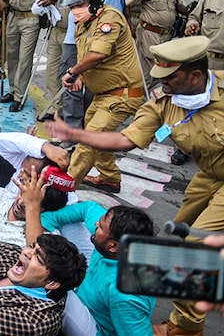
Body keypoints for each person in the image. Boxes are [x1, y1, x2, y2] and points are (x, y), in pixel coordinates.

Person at [45, 35, 224, 336]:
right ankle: (148, 293)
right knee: (175, 233)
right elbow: (124, 139)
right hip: (210, 174)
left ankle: (185, 326)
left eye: (170, 77)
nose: (162, 83)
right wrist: (77, 135)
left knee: (197, 247)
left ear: (195, 75)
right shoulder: (164, 101)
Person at [20, 171, 156, 336]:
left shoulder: (127, 294)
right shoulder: (113, 240)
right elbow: (88, 208)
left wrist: (33, 211)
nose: (96, 223)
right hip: (85, 291)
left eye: (100, 227)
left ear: (113, 246)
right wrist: (44, 222)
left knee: (50, 278)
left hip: (95, 328)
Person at [58, 0, 144, 193]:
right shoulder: (84, 23)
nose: (75, 11)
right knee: (97, 135)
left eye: (79, 5)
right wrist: (80, 76)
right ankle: (110, 177)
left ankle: (63, 190)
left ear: (95, 1)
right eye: (72, 7)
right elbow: (86, 55)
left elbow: (98, 54)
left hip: (122, 94)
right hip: (104, 95)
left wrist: (73, 71)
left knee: (89, 140)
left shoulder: (109, 19)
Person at [0, 0, 62, 112]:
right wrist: (0, 0)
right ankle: (12, 90)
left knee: (25, 59)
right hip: (12, 15)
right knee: (11, 56)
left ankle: (20, 96)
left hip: (31, 18)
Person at [126, 0, 181, 87]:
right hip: (149, 34)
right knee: (146, 74)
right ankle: (139, 103)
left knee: (161, 72)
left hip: (166, 36)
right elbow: (127, 3)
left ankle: (152, 103)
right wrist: (129, 25)